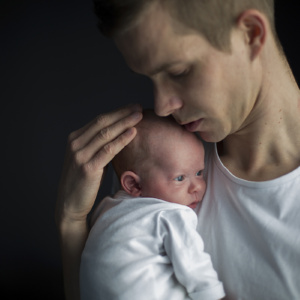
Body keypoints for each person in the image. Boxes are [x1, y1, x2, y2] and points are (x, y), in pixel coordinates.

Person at [55, 0, 300, 299]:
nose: (161, 105)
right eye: (151, 79)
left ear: (250, 33)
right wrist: (72, 223)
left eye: (179, 71)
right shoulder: (161, 166)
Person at [80, 110, 225, 300]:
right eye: (180, 178)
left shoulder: (106, 209)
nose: (197, 186)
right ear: (134, 184)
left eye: (199, 172)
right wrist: (215, 296)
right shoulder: (170, 213)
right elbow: (192, 263)